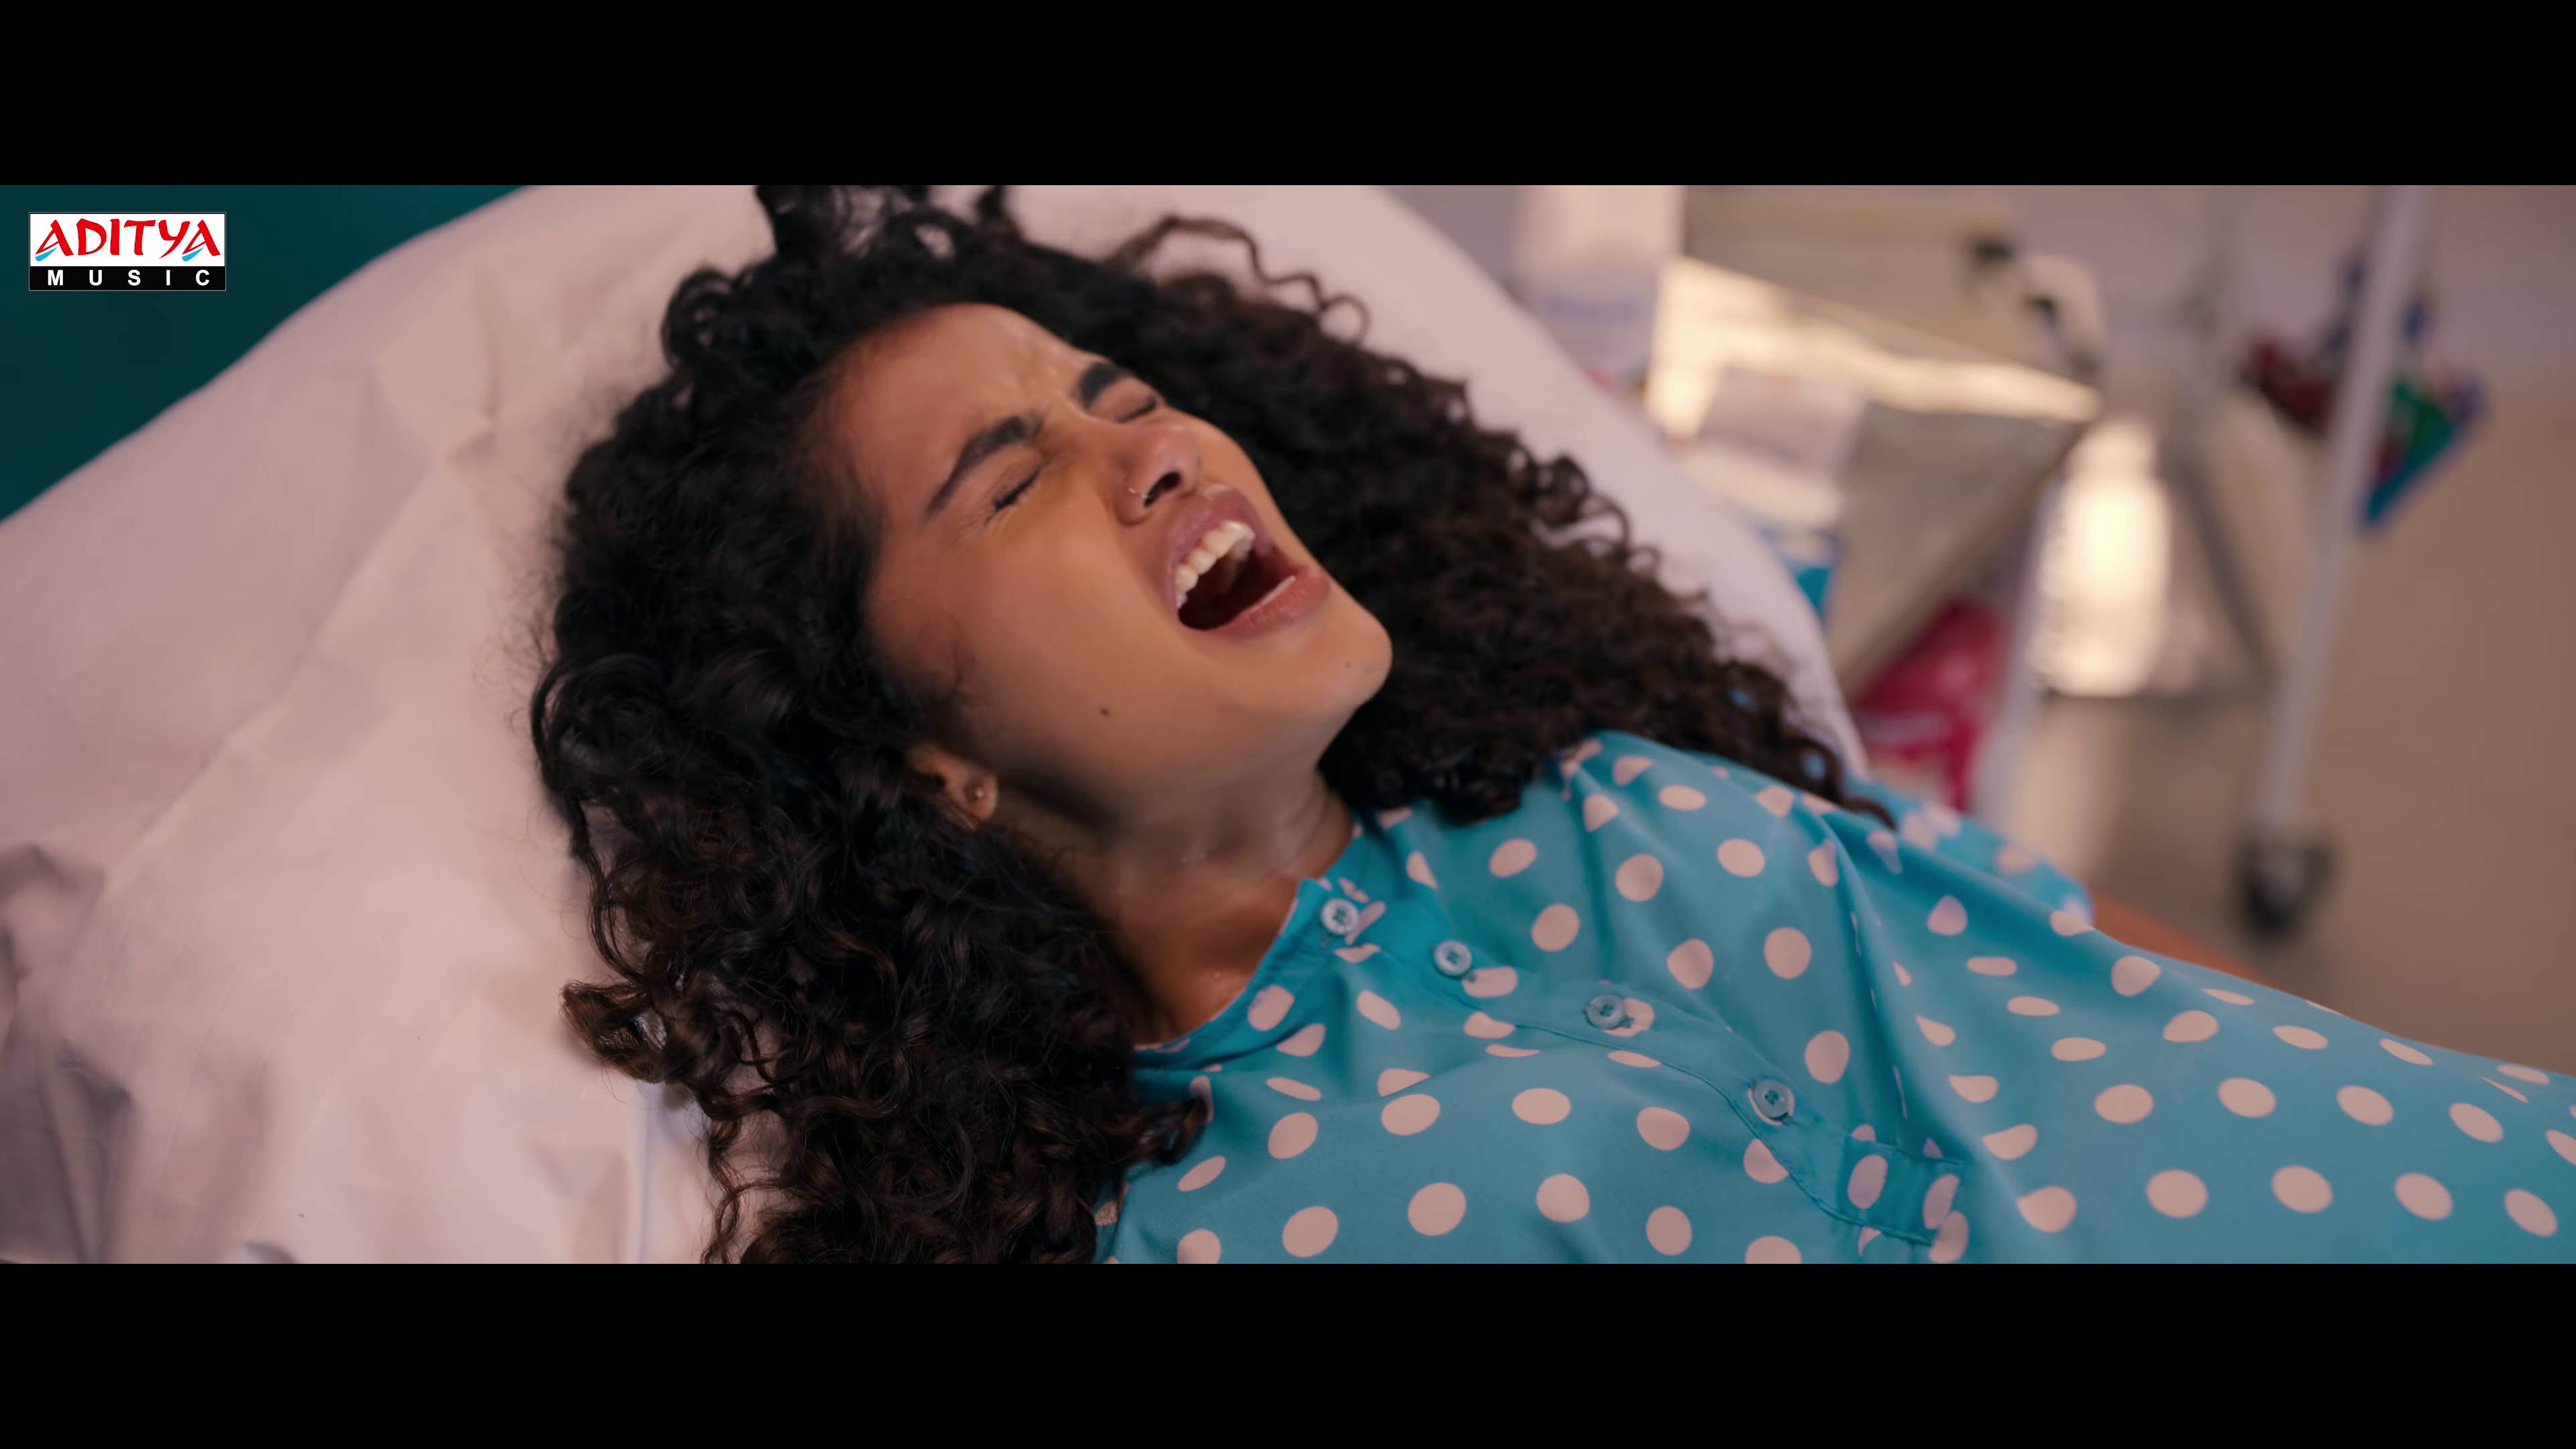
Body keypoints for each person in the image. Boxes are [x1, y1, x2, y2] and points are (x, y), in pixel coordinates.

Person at [531, 187, 2572, 1263]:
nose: (1151, 450)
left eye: (1122, 396)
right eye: (1010, 479)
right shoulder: (1190, 1217)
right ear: (924, 763)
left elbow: (2071, 960)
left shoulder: (1594, 775)